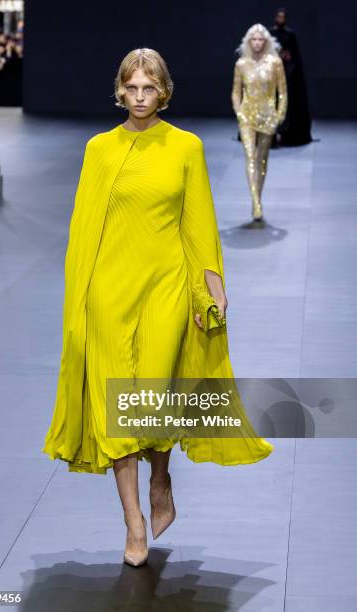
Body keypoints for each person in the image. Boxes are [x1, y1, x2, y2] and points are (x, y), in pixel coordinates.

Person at [42, 48, 274, 566]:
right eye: (133, 88)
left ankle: (161, 480)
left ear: (163, 91)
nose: (141, 97)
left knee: (153, 397)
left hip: (165, 287)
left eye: (150, 88)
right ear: (120, 91)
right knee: (114, 406)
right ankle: (133, 522)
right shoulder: (99, 149)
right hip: (107, 291)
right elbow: (82, 231)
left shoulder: (185, 147)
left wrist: (209, 286)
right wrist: (77, 307)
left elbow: (199, 223)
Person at [232, 24, 287, 223]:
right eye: (253, 39)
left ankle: (258, 198)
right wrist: (239, 113)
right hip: (247, 115)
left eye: (260, 39)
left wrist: (279, 114)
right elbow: (236, 91)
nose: (256, 43)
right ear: (248, 41)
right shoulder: (241, 64)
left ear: (266, 42)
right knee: (249, 156)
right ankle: (256, 203)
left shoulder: (275, 62)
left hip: (267, 115)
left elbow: (282, 91)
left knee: (261, 158)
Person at [270, 8, 312, 146]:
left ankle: (286, 133)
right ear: (276, 17)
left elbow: (295, 54)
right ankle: (272, 134)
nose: (281, 19)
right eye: (279, 16)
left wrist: (288, 57)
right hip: (272, 72)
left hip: (288, 72)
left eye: (283, 17)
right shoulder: (271, 33)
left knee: (288, 103)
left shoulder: (290, 34)